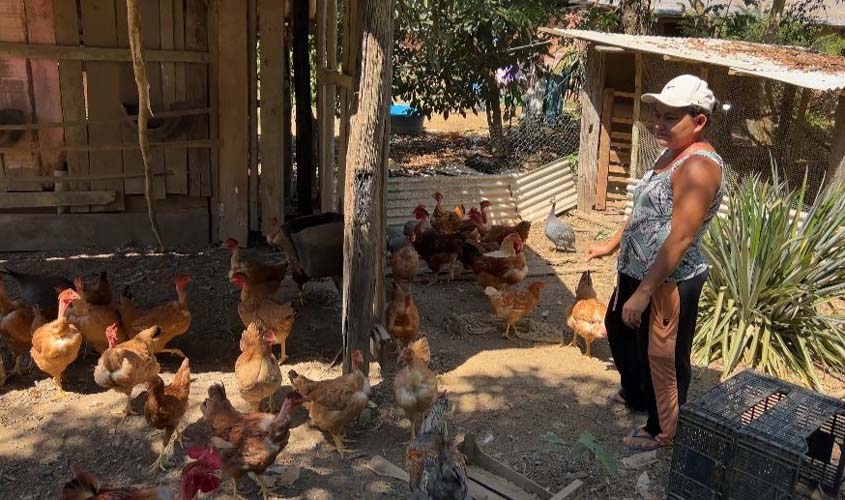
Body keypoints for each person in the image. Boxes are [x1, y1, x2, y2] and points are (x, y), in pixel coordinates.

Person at [585, 74, 724, 451]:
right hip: (638, 269)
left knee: (662, 354)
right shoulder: (670, 154)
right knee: (618, 324)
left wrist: (645, 292)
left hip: (669, 279)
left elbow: (680, 236)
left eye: (670, 117)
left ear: (698, 121)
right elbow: (646, 209)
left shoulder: (698, 167)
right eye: (658, 115)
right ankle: (634, 393)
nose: (659, 124)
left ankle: (664, 429)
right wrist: (612, 244)